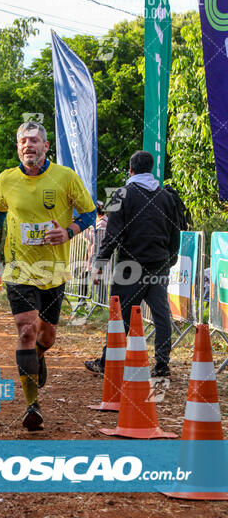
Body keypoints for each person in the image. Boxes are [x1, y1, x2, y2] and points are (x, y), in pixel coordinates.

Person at [0, 121, 95, 431]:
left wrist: (68, 232)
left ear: (46, 147)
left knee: (46, 338)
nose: (28, 146)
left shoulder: (65, 177)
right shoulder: (6, 179)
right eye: (23, 142)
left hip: (54, 269)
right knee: (27, 330)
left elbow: (89, 213)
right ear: (18, 148)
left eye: (34, 141)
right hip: (18, 267)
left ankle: (38, 356)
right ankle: (32, 405)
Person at [86, 150, 180, 378]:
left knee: (120, 316)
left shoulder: (121, 194)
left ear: (130, 169)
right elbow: (175, 231)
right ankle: (162, 364)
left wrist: (100, 262)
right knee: (161, 314)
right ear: (151, 168)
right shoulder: (166, 196)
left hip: (130, 266)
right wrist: (171, 259)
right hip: (158, 264)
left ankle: (108, 362)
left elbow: (113, 234)